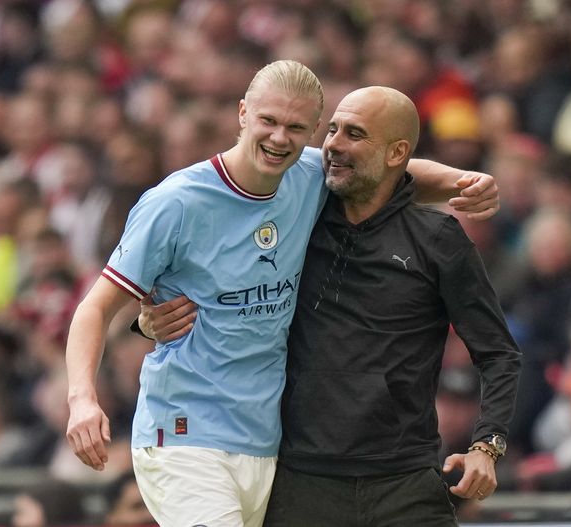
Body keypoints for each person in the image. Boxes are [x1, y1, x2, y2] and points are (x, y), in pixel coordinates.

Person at [64, 60, 500, 527]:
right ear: (242, 113)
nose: (278, 138)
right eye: (268, 121)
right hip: (184, 433)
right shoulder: (176, 202)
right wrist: (82, 399)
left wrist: (464, 182)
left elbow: (396, 172)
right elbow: (95, 307)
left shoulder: (310, 177)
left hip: (265, 443)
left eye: (295, 127)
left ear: (315, 131)